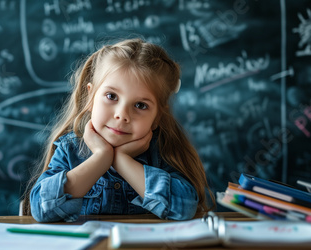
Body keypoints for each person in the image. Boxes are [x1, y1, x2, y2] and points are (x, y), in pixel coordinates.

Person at [25, 38, 214, 222]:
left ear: (156, 117)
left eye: (140, 105)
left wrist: (121, 160)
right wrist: (101, 158)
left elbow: (185, 207)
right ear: (90, 97)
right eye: (111, 96)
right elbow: (41, 208)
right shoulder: (70, 150)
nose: (122, 115)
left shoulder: (162, 152)